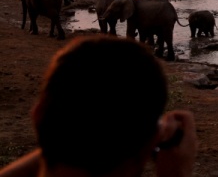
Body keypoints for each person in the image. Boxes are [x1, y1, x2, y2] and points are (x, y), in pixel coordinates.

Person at [0, 36, 197, 177]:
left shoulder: (44, 120)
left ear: (37, 115)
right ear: (151, 143)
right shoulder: (152, 146)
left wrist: (63, 135)